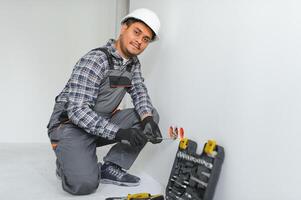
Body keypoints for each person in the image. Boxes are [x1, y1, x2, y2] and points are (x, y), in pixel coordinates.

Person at [47, 8, 162, 195]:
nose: (139, 41)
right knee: (84, 185)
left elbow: (140, 94)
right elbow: (77, 112)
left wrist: (148, 120)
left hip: (100, 122)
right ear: (124, 28)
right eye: (137, 32)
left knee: (149, 114)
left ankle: (111, 167)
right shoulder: (96, 60)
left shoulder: (133, 65)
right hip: (70, 126)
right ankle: (66, 161)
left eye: (146, 39)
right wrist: (120, 133)